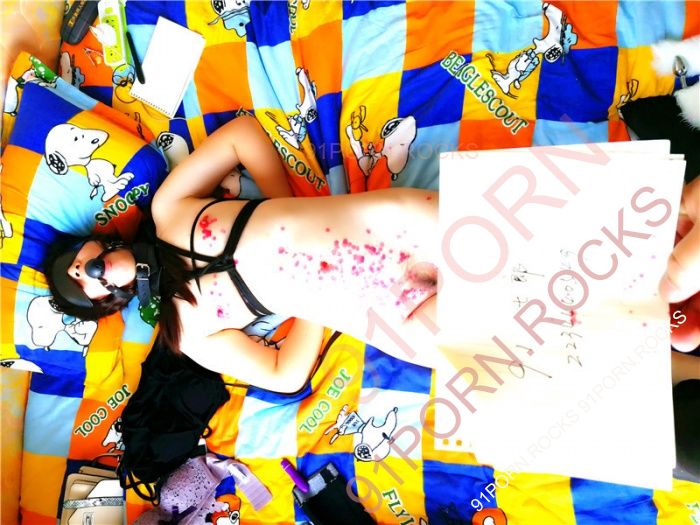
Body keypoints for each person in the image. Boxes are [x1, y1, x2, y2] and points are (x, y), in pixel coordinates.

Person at [46, 115, 700, 393]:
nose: (81, 270)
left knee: (559, 246)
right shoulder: (187, 335)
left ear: (100, 240)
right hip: (387, 311)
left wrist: (287, 207)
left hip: (392, 229)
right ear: (107, 303)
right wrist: (309, 297)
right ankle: (679, 360)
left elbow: (244, 135)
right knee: (548, 347)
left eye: (77, 259)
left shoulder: (168, 208)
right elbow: (283, 374)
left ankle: (676, 254)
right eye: (81, 284)